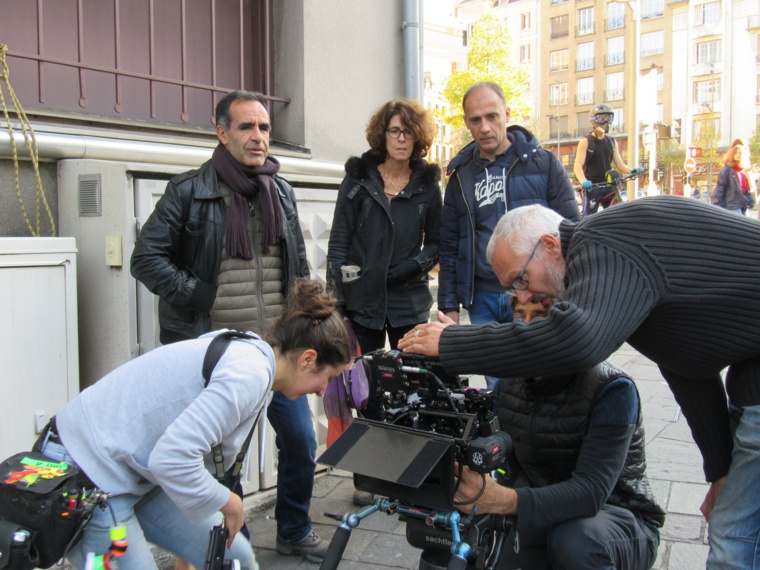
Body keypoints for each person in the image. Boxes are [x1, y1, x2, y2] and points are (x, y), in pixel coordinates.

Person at [400, 197, 760, 569]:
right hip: (750, 368)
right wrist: (721, 471)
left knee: (735, 541)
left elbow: (578, 341)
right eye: (512, 290)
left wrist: (453, 343)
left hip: (615, 516)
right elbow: (686, 363)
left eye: (521, 280)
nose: (523, 298)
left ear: (550, 246)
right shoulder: (625, 273)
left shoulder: (602, 242)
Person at [130, 90, 329, 564]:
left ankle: (294, 528)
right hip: (217, 356)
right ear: (222, 133)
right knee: (224, 463)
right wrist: (199, 294)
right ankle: (226, 546)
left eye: (264, 127)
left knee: (301, 441)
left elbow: (297, 266)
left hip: (276, 351)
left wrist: (307, 320)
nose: (258, 136)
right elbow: (146, 259)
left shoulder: (280, 191)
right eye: (246, 127)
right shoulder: (189, 191)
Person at [38, 279, 350, 570]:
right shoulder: (248, 375)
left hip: (135, 472)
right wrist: (228, 501)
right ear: (308, 360)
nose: (323, 391)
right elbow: (171, 459)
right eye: (328, 378)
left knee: (236, 557)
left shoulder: (256, 360)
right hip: (87, 470)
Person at [454, 295, 664, 569]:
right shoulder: (508, 384)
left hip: (615, 516)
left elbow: (591, 493)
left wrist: (503, 500)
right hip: (544, 510)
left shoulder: (612, 388)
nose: (527, 328)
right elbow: (510, 472)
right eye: (520, 316)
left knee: (575, 542)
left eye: (541, 317)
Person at [437, 81, 579, 398]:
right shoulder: (460, 176)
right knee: (498, 389)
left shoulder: (543, 163)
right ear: (466, 122)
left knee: (543, 380)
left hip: (536, 293)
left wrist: (576, 289)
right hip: (483, 297)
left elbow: (573, 230)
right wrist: (448, 305)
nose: (485, 127)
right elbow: (450, 245)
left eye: (492, 116)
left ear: (507, 114)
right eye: (476, 120)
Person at [326, 98, 441, 421]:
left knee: (415, 387)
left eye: (408, 132)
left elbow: (437, 243)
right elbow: (339, 241)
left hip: (409, 300)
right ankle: (372, 449)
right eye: (394, 131)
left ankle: (410, 445)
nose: (401, 139)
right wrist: (337, 301)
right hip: (363, 300)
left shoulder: (427, 185)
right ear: (383, 135)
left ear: (418, 137)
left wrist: (413, 266)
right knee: (367, 391)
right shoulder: (359, 180)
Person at [573, 103, 644, 216]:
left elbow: (620, 165)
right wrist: (583, 181)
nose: (606, 122)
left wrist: (631, 170)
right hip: (592, 187)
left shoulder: (611, 142)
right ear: (594, 120)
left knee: (617, 214)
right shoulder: (586, 142)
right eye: (602, 118)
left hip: (609, 185)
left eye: (609, 118)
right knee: (589, 218)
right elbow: (577, 166)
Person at [711, 145, 751, 215]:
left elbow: (745, 191)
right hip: (731, 207)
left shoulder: (742, 172)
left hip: (742, 206)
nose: (738, 155)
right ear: (732, 154)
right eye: (736, 153)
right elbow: (719, 188)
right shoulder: (727, 170)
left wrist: (750, 200)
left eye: (740, 153)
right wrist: (718, 207)